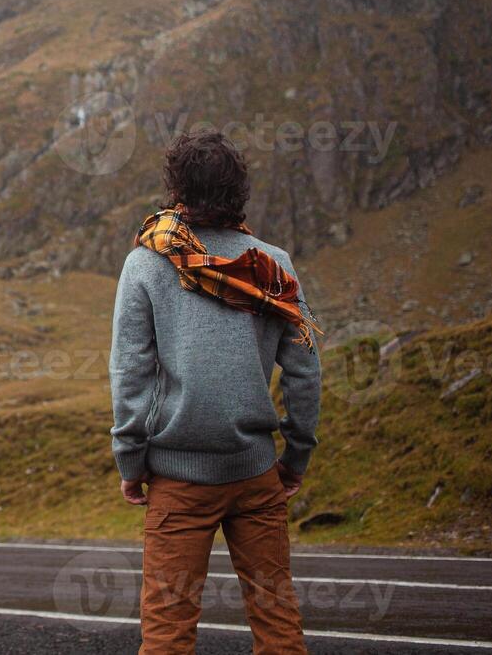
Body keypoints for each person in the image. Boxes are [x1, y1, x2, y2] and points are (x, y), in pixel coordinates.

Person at [110, 129, 322, 654]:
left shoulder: (147, 262)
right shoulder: (273, 266)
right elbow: (304, 371)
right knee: (277, 624)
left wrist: (130, 461)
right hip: (256, 474)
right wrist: (296, 456)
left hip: (177, 479)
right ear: (239, 190)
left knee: (168, 634)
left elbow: (130, 373)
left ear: (176, 188)